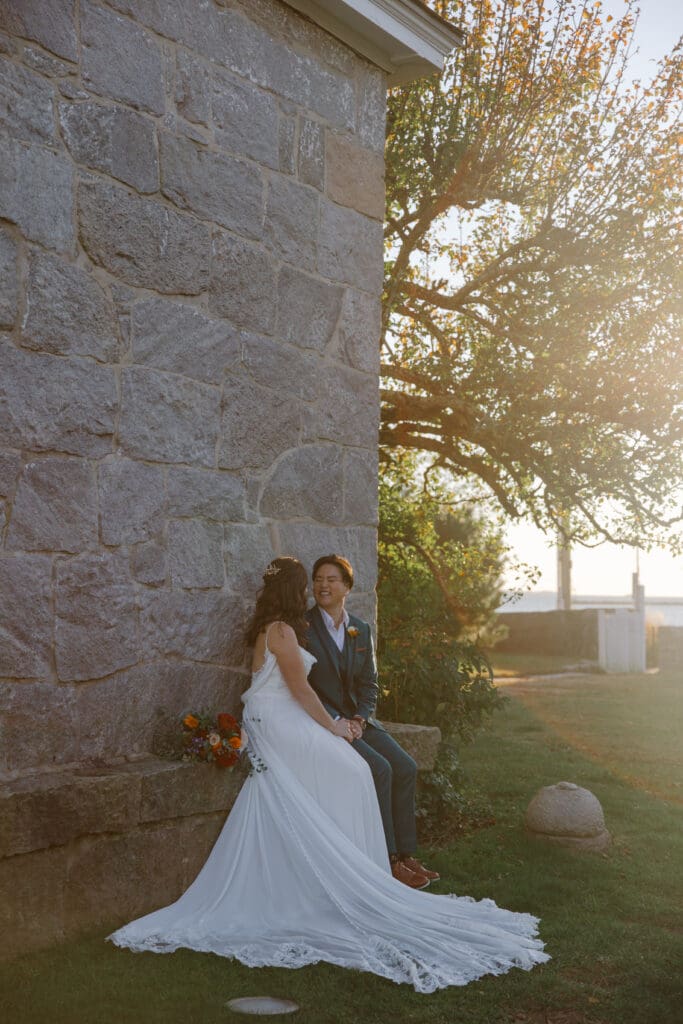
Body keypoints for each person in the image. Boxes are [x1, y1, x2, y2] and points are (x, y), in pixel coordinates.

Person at [108, 557, 549, 992]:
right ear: (293, 590)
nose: (312, 591)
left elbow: (331, 686)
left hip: (280, 714)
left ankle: (378, 867)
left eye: (324, 581)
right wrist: (334, 727)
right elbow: (300, 690)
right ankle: (361, 873)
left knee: (364, 768)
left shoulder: (283, 627)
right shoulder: (282, 631)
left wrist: (352, 720)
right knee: (356, 772)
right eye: (307, 584)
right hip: (278, 718)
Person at [306, 554, 436, 889]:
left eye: (332, 579)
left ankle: (407, 855)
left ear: (347, 586)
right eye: (319, 578)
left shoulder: (360, 629)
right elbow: (300, 684)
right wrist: (337, 720)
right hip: (327, 723)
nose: (323, 585)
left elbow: (370, 683)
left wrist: (361, 717)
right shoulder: (302, 628)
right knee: (380, 768)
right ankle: (388, 860)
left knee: (405, 766)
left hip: (360, 722)